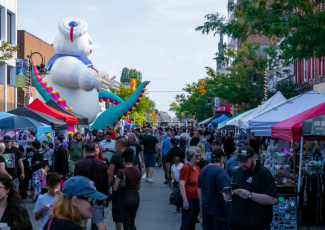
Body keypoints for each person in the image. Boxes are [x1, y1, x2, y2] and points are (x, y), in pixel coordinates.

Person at [223, 146, 278, 230]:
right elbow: (237, 190)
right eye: (240, 161)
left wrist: (250, 195)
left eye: (245, 161)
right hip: (237, 224)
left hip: (256, 226)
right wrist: (230, 194)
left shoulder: (263, 173)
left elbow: (273, 199)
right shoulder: (239, 171)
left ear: (254, 157)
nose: (242, 164)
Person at [74, 141, 109, 230]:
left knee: (82, 221)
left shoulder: (80, 164)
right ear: (94, 150)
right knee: (99, 222)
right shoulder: (102, 164)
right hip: (98, 196)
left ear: (85, 150)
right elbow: (105, 183)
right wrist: (105, 196)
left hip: (83, 196)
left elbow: (76, 181)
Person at [198, 149, 230, 230]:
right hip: (219, 210)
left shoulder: (204, 169)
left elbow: (199, 188)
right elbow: (224, 190)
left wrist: (201, 204)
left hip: (206, 207)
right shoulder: (220, 171)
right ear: (222, 159)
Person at [113, 148, 142, 230]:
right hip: (135, 196)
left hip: (124, 197)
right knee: (132, 221)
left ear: (123, 160)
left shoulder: (121, 172)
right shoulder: (138, 171)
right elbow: (139, 186)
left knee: (126, 222)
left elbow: (115, 188)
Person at [179, 146, 201, 230]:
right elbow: (181, 184)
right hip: (189, 198)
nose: (198, 157)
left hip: (196, 198)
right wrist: (185, 200)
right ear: (190, 156)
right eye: (196, 156)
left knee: (192, 222)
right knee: (186, 223)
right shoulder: (186, 167)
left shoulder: (197, 168)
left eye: (199, 155)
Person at [108, 136, 128, 230]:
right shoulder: (133, 155)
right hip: (130, 186)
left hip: (118, 185)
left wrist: (108, 185)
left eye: (115, 144)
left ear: (119, 144)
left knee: (117, 211)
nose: (115, 146)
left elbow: (110, 172)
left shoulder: (115, 156)